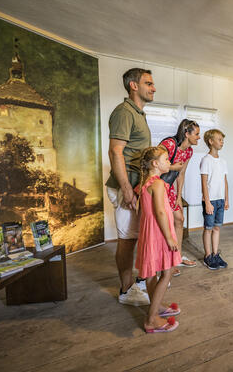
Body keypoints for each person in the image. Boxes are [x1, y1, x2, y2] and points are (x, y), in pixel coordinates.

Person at [106, 68, 154, 306]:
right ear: (133, 85)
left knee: (135, 237)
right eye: (148, 83)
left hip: (137, 186)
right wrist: (126, 189)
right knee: (127, 240)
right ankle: (126, 290)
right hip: (127, 187)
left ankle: (136, 283)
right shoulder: (124, 112)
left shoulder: (139, 113)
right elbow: (115, 151)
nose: (153, 87)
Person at [135, 146, 181, 333]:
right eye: (166, 160)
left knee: (151, 273)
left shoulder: (144, 183)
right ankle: (151, 319)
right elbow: (161, 211)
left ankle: (157, 306)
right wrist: (170, 236)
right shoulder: (159, 184)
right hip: (160, 233)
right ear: (155, 164)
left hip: (149, 233)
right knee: (167, 272)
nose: (169, 162)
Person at [159, 119, 200, 275]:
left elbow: (181, 174)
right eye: (196, 134)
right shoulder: (169, 144)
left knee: (180, 219)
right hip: (157, 187)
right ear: (186, 133)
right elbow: (153, 163)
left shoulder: (189, 151)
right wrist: (171, 167)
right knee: (165, 224)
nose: (198, 137)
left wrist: (178, 196)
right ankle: (165, 262)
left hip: (169, 188)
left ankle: (176, 258)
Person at [200, 129, 229, 270]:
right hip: (210, 201)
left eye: (222, 140)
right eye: (219, 139)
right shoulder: (206, 160)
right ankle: (207, 256)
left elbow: (225, 181)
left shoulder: (223, 161)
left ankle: (215, 254)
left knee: (217, 228)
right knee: (209, 228)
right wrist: (207, 202)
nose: (222, 142)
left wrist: (226, 199)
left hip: (220, 200)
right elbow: (204, 183)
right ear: (211, 142)